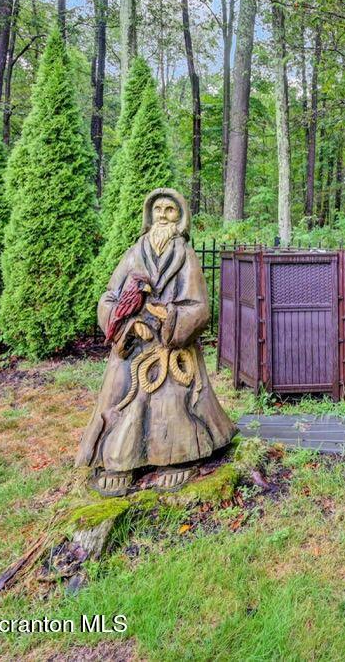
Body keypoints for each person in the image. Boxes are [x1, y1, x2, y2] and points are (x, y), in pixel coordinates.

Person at [76, 188, 236, 495]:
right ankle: (119, 460)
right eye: (158, 210)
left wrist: (170, 318)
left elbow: (200, 306)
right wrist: (130, 323)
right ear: (149, 216)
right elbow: (109, 297)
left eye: (170, 210)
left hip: (173, 348)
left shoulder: (185, 255)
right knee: (123, 396)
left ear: (180, 217)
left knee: (173, 398)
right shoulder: (134, 252)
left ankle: (178, 458)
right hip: (133, 344)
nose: (163, 216)